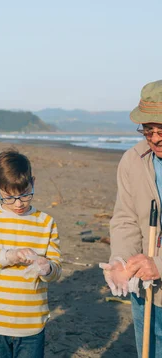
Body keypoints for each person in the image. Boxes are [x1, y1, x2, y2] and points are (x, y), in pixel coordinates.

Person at [0, 149, 62, 358]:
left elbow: (56, 271)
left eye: (25, 194)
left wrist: (47, 267)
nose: (18, 203)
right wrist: (9, 256)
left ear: (33, 182)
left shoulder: (46, 222)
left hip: (31, 322)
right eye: (9, 197)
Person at [105, 80, 162, 357]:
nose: (155, 138)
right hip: (147, 292)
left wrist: (160, 265)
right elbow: (125, 218)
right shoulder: (133, 160)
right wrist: (121, 260)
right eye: (148, 130)